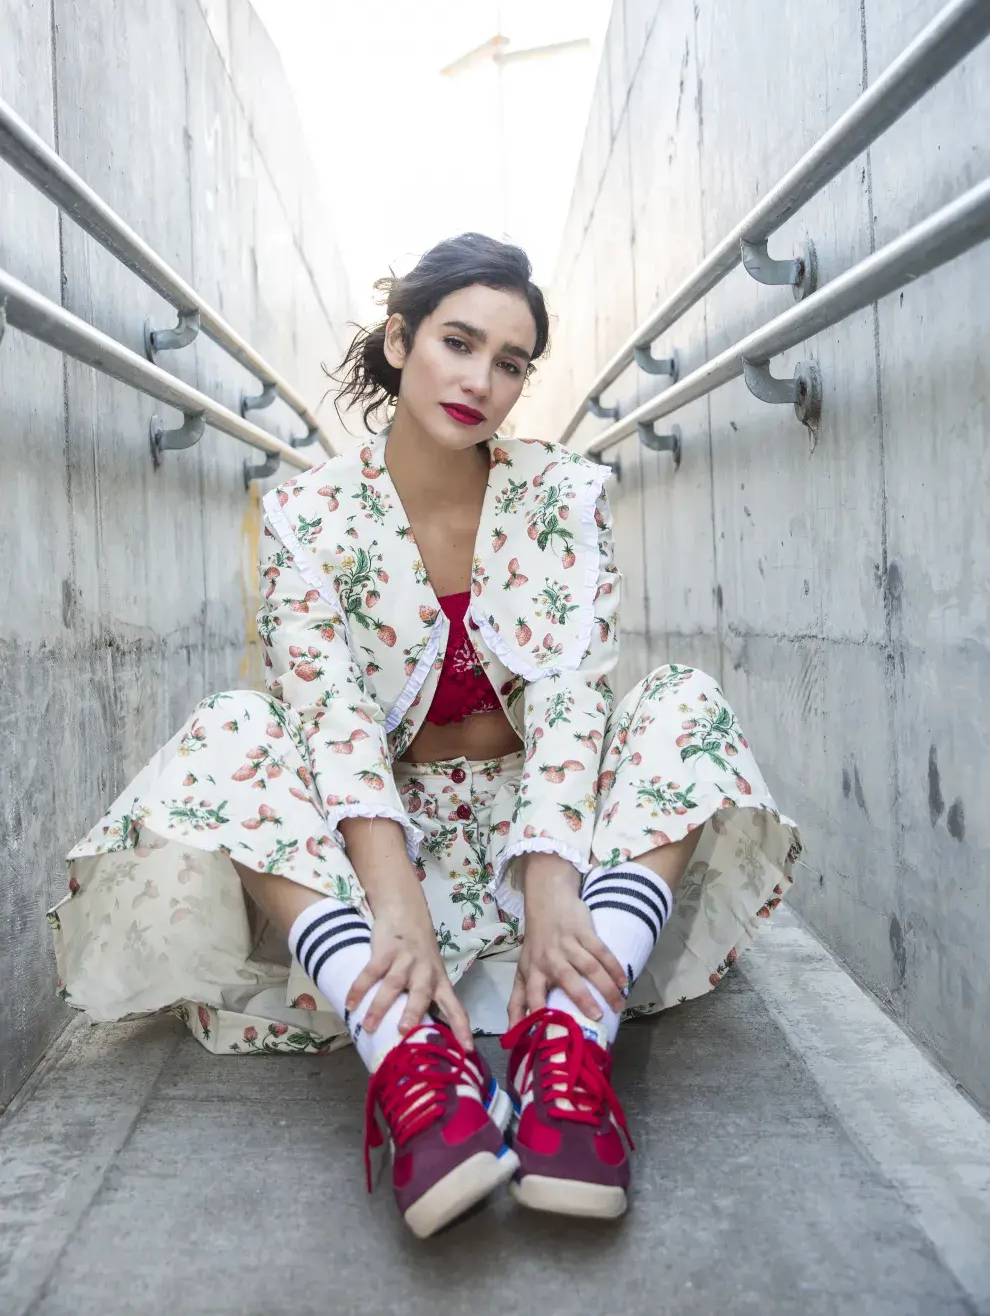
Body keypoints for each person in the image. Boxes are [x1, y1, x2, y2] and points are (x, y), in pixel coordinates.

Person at [49, 233, 800, 1237]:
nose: (481, 379)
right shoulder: (308, 515)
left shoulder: (566, 495)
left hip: (547, 841)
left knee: (681, 704)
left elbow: (576, 693)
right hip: (382, 859)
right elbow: (329, 717)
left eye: (510, 362)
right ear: (400, 340)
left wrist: (552, 880)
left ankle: (566, 1047)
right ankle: (410, 1060)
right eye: (458, 341)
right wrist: (394, 906)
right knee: (237, 722)